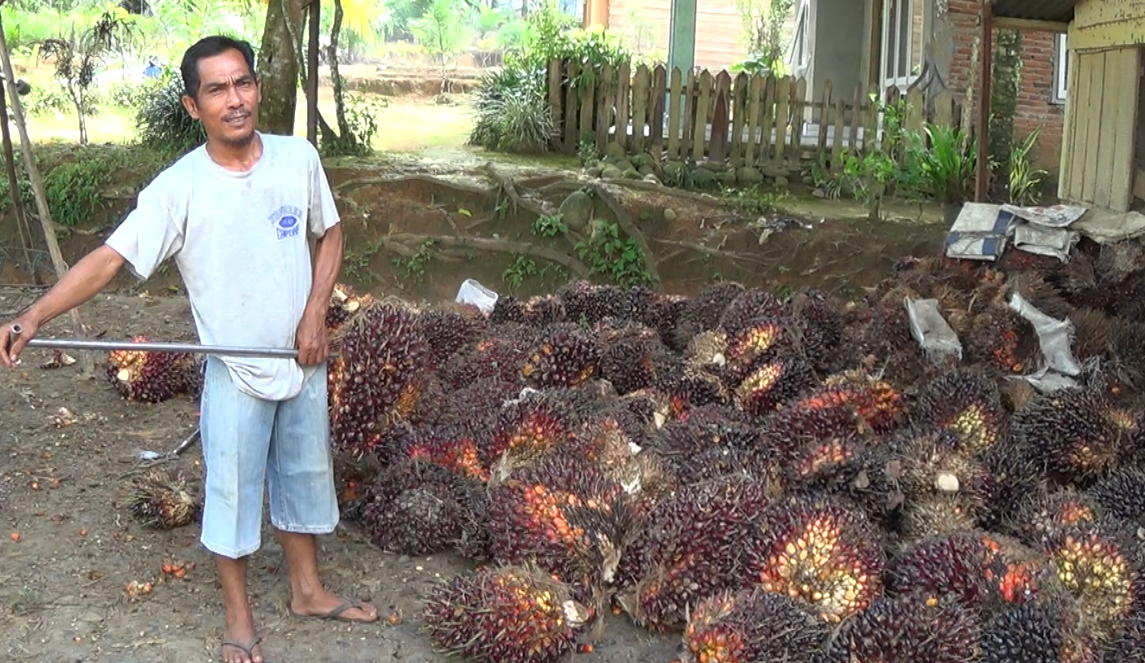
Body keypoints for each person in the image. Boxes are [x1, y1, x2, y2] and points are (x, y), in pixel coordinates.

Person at [0, 35, 378, 663]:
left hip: (299, 358)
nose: (236, 100)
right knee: (231, 493)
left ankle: (307, 590)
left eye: (244, 83)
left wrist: (315, 313)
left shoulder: (298, 159)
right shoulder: (180, 189)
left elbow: (330, 231)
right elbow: (108, 261)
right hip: (234, 367)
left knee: (307, 477)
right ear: (192, 104)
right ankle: (237, 618)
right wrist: (32, 316)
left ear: (256, 87)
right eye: (217, 89)